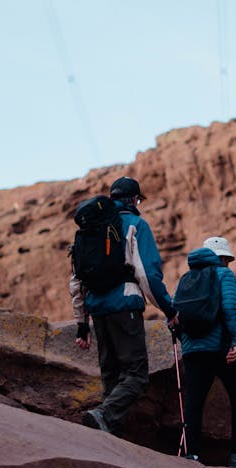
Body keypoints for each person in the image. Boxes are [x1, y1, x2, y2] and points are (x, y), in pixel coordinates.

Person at [70, 176, 177, 434]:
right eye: (139, 199)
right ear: (133, 199)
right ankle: (103, 415)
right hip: (124, 306)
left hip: (97, 310)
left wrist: (82, 325)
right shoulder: (135, 225)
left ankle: (106, 434)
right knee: (136, 375)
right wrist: (169, 310)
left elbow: (76, 282)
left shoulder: (89, 230)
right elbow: (148, 275)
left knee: (111, 377)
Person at [178, 236, 236, 468]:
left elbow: (178, 314)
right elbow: (229, 307)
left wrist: (185, 342)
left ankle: (192, 455)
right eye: (227, 259)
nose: (228, 263)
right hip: (219, 348)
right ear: (222, 258)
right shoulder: (224, 275)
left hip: (192, 349)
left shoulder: (186, 277)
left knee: (193, 401)